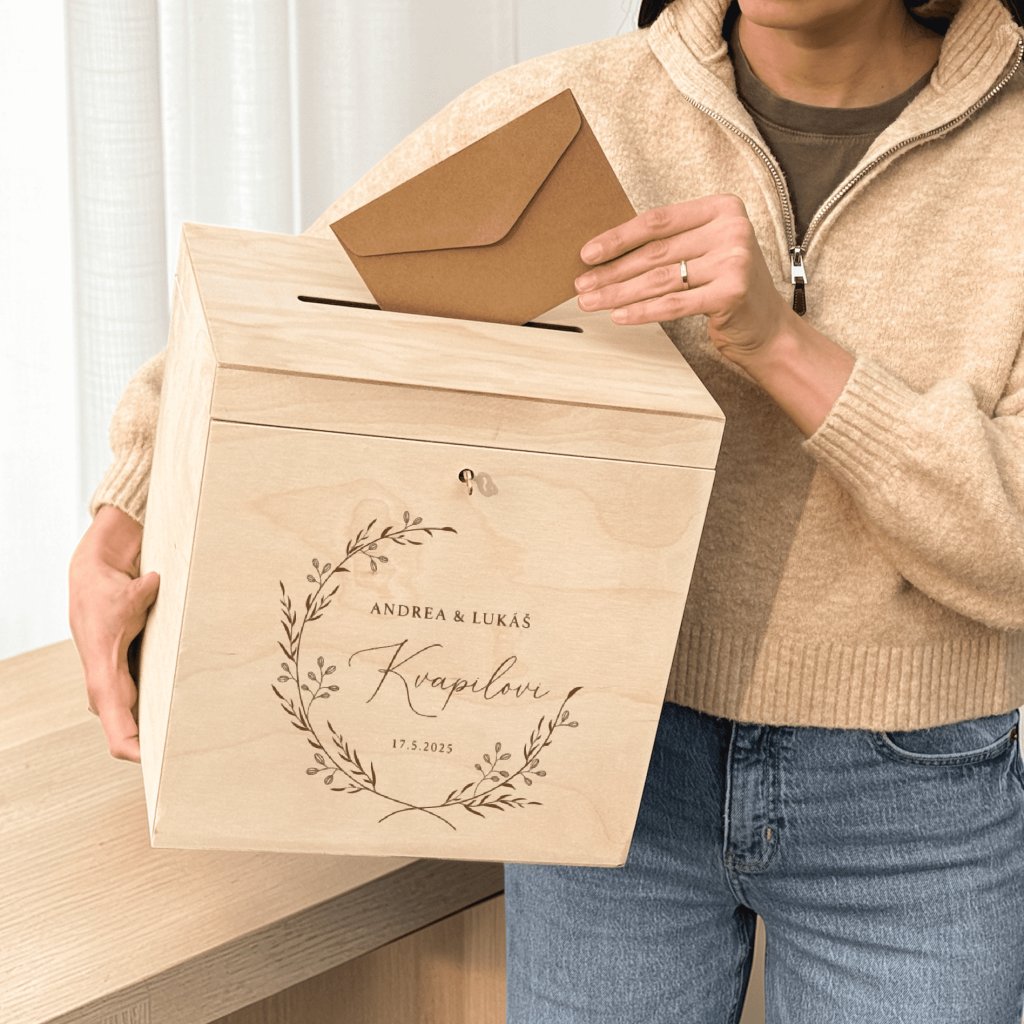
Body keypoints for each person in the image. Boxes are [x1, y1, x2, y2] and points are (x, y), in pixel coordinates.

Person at [68, 0, 1024, 1019]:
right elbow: (289, 311)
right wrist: (124, 516)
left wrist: (780, 344)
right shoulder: (577, 113)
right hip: (591, 745)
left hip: (917, 799)